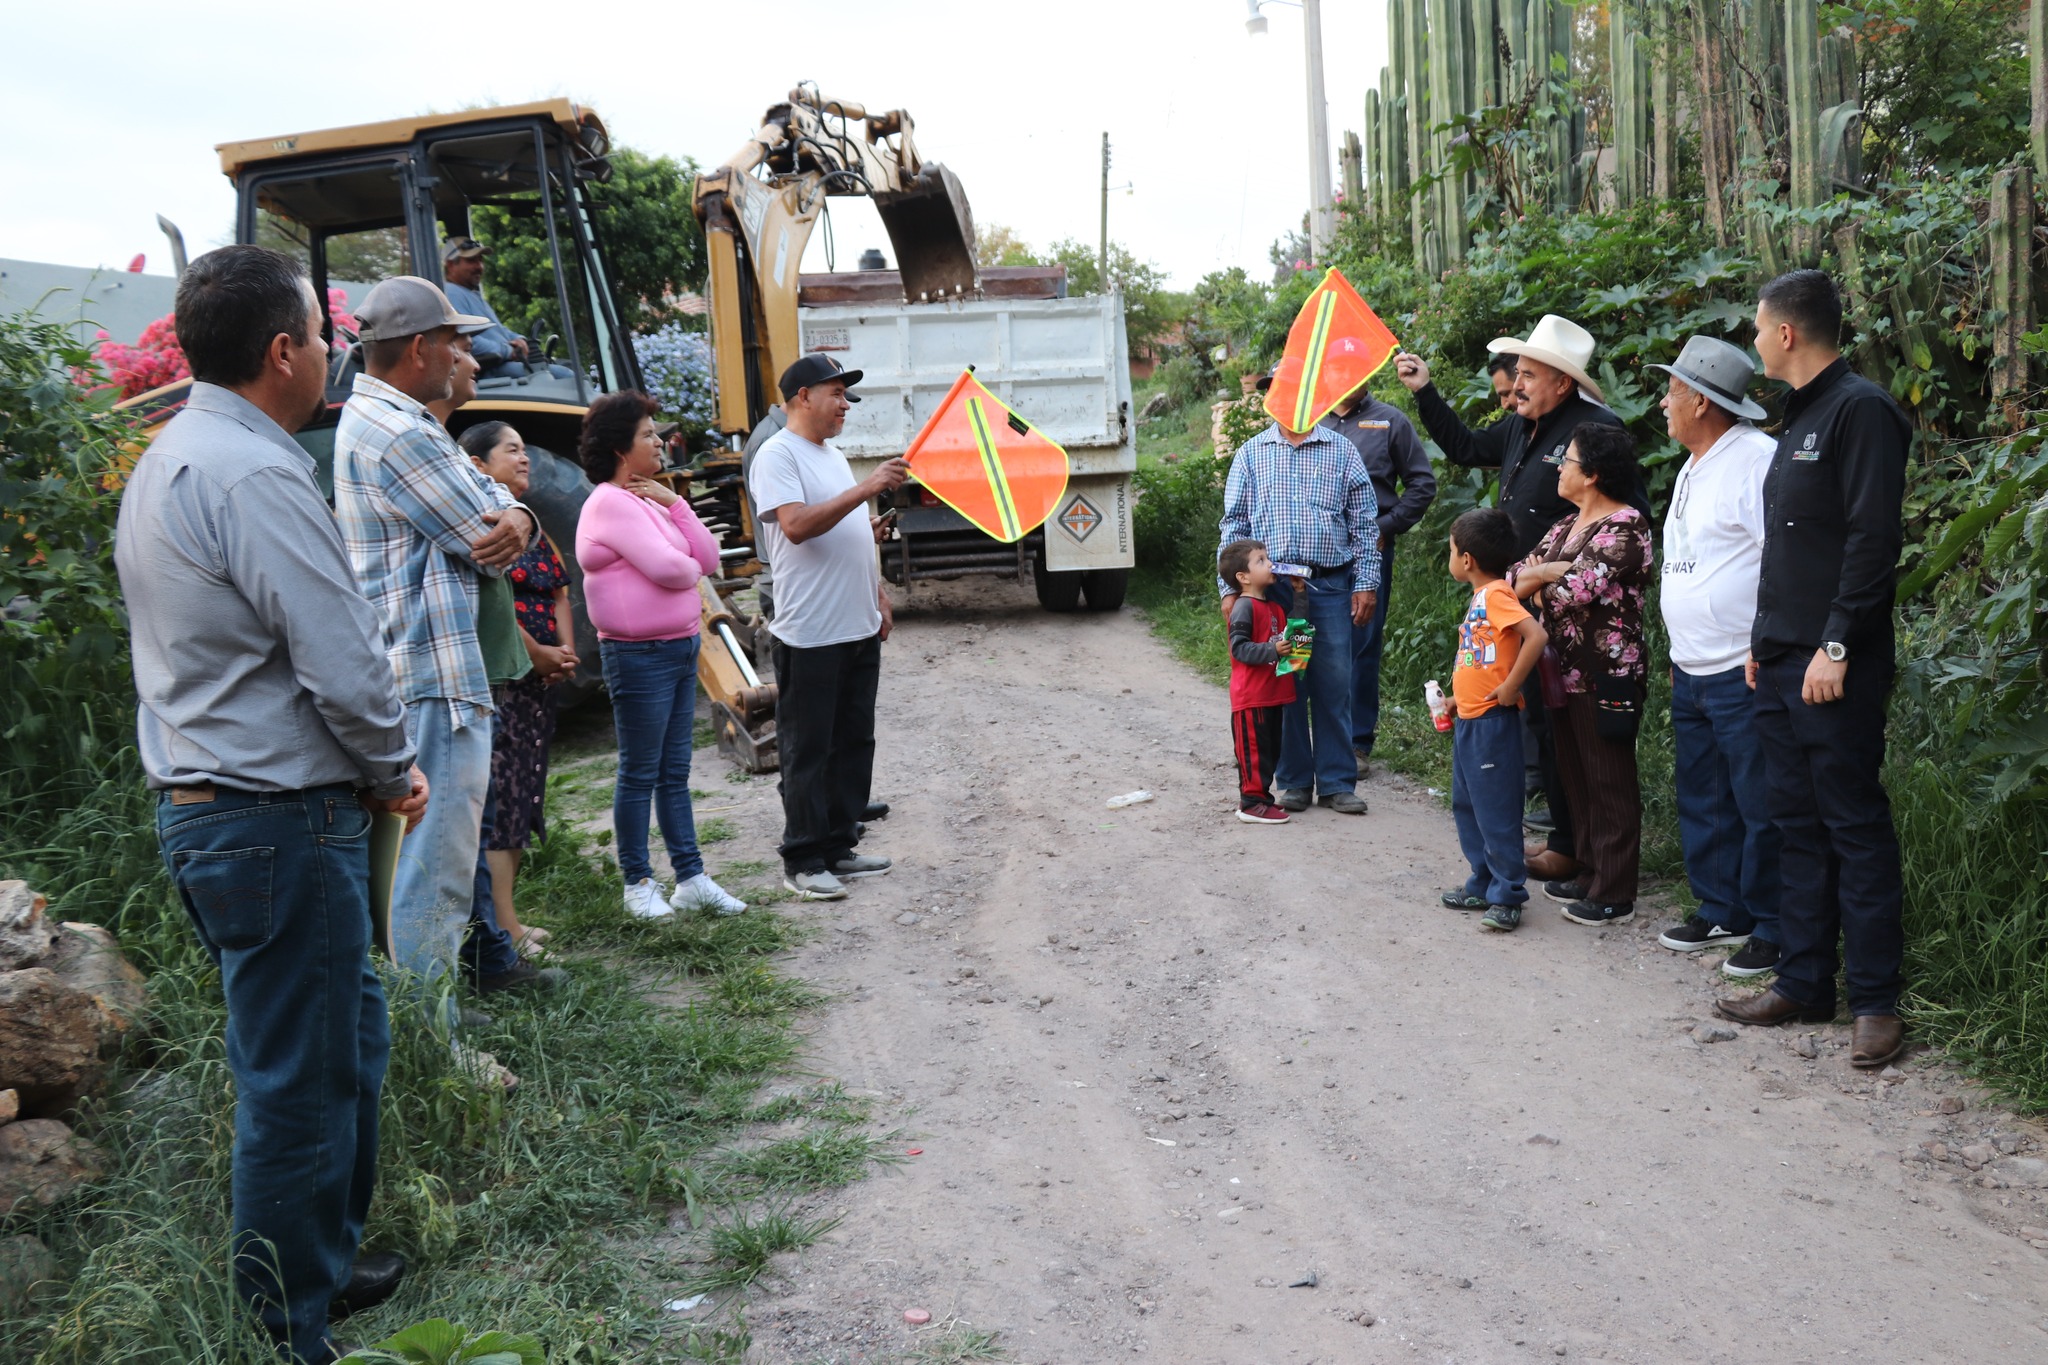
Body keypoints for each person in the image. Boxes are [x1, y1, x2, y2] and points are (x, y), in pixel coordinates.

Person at [114, 244, 427, 1362]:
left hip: (235, 811)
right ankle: (287, 1324)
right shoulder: (251, 472)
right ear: (283, 350)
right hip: (273, 820)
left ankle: (319, 1268)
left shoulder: (172, 456)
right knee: (298, 1074)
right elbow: (341, 659)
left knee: (341, 1040)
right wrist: (393, 767)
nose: (335, 351)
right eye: (324, 333)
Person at [1715, 270, 1911, 1070]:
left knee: (1852, 824)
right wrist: (1765, 643)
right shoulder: (1800, 415)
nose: (1754, 340)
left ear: (1787, 333)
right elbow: (1789, 550)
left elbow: (1872, 540)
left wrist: (1835, 644)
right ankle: (1803, 980)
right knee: (1796, 822)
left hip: (1836, 663)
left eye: (1758, 328)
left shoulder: (1860, 410)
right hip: (1784, 658)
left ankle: (1874, 1000)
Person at [334, 276, 539, 997]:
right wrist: (514, 514)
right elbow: (486, 527)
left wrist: (518, 513)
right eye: (455, 341)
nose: (465, 354)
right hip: (430, 680)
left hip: (428, 675)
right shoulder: (399, 435)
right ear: (419, 349)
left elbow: (501, 511)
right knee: (435, 876)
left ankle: (434, 1027)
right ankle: (435, 1044)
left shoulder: (405, 424)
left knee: (435, 866)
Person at [1395, 317, 1635, 884]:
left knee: (1573, 736)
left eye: (1528, 374)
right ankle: (1565, 840)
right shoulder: (1521, 426)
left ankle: (1585, 852)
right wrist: (1425, 391)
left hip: (1577, 616)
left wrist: (1563, 573)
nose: (1517, 384)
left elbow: (1626, 514)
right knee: (1542, 729)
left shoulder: (1594, 431)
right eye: (1518, 374)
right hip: (1518, 602)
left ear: (1561, 381)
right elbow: (1462, 446)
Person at [575, 391, 748, 919]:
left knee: (673, 772)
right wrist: (684, 557)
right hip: (639, 656)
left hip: (677, 647)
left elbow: (708, 557)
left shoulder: (647, 499)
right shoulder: (608, 501)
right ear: (621, 447)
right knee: (640, 771)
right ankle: (637, 882)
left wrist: (675, 504)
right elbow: (677, 570)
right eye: (648, 434)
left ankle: (691, 878)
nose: (659, 440)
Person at [1645, 336, 1783, 978]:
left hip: (1741, 665)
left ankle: (1774, 925)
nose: (1663, 402)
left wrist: (1765, 641)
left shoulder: (1754, 460)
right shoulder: (1693, 464)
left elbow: (1780, 558)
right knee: (1705, 795)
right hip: (1694, 663)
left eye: (1671, 390)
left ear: (1700, 400)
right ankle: (1720, 907)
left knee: (1759, 799)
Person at [749, 354, 907, 899]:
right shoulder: (777, 455)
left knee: (852, 739)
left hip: (856, 622)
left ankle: (839, 846)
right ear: (802, 397)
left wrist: (878, 592)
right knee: (807, 747)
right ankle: (803, 859)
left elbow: (842, 530)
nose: (845, 405)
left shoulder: (831, 455)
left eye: (845, 395)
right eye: (836, 394)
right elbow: (795, 527)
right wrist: (867, 490)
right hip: (811, 630)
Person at [1217, 357, 1381, 816]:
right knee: (1287, 685)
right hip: (1276, 595)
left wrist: (1365, 584)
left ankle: (1335, 781)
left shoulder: (1341, 450)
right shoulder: (1251, 453)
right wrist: (1229, 588)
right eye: (1276, 390)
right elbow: (1234, 526)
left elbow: (1365, 526)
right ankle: (1293, 781)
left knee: (1333, 684)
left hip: (1328, 588)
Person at [1509, 424, 1654, 927]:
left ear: (1591, 474)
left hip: (1606, 674)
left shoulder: (1626, 526)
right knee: (1576, 777)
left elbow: (1574, 591)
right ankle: (1591, 871)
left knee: (1609, 780)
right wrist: (1544, 575)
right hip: (1560, 673)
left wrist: (1543, 576)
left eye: (1566, 460)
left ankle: (1615, 890)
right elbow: (1511, 581)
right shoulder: (1566, 525)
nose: (1558, 468)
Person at [462, 421, 577, 950]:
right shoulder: (488, 525)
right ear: (479, 465)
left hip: (540, 675)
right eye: (512, 450)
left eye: (526, 449)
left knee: (523, 792)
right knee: (503, 800)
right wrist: (539, 656)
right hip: (510, 673)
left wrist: (565, 654)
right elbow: (497, 605)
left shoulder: (533, 527)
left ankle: (508, 915)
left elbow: (557, 592)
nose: (525, 458)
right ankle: (502, 923)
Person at [1318, 379, 1437, 775]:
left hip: (1369, 553)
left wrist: (1387, 526)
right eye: (1341, 371)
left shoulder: (1390, 421)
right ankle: (1305, 737)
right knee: (1301, 638)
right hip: (1313, 557)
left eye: (1359, 371)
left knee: (1360, 642)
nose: (1350, 380)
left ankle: (1356, 742)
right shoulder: (1310, 421)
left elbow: (1422, 483)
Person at [1438, 507, 1548, 933]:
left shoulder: (1498, 595)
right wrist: (1453, 699)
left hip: (1491, 723)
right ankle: (1482, 882)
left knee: (1496, 811)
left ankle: (1508, 894)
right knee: (1467, 806)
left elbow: (1536, 636)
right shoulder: (1483, 597)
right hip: (1469, 718)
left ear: (1466, 560)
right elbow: (1482, 657)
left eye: (1451, 550)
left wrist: (1511, 687)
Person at [1219, 538, 1299, 825]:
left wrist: (1300, 595)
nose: (1270, 563)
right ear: (1243, 577)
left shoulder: (1275, 608)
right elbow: (1239, 648)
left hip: (1273, 694)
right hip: (1250, 697)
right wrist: (1271, 650)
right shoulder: (1243, 607)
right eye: (1261, 561)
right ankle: (1251, 803)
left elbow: (1298, 632)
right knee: (1253, 752)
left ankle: (1263, 799)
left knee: (1270, 751)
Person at [440, 237, 532, 379]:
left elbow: (497, 330)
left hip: (501, 365)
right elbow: (464, 341)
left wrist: (519, 339)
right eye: (471, 261)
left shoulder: (470, 294)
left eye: (480, 260)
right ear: (451, 265)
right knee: (564, 376)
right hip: (488, 371)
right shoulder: (451, 293)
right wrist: (509, 350)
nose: (479, 266)